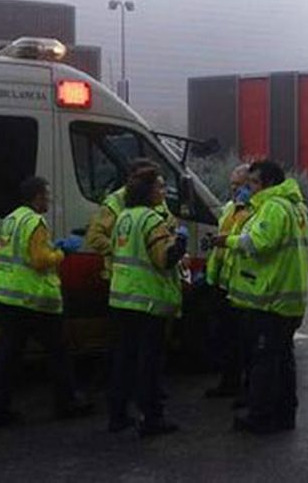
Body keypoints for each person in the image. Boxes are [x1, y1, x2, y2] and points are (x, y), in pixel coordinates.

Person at [0, 176, 92, 427]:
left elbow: (22, 252)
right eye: (46, 195)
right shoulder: (35, 221)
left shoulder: (12, 219)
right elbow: (39, 260)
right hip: (33, 299)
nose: (49, 199)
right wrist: (63, 251)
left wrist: (52, 246)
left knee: (7, 357)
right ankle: (66, 403)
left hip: (6, 296)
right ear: (37, 197)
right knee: (59, 353)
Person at [214, 160, 308, 434]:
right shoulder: (297, 207)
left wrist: (227, 241)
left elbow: (258, 243)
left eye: (253, 183)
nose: (249, 188)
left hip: (271, 298)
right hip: (288, 297)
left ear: (267, 183)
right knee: (283, 360)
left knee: (264, 361)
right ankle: (283, 415)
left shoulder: (273, 207)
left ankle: (260, 416)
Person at [105, 165, 188, 437]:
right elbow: (163, 259)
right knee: (149, 364)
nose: (163, 192)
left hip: (121, 299)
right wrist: (180, 244)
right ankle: (151, 419)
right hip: (147, 301)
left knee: (123, 360)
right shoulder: (152, 220)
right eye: (160, 187)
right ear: (149, 191)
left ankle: (117, 416)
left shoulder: (124, 217)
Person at [204, 164, 252, 399]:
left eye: (240, 185)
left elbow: (247, 243)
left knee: (241, 341)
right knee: (224, 339)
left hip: (240, 285)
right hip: (222, 282)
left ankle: (243, 389)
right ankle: (228, 383)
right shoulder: (230, 208)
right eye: (232, 185)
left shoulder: (255, 210)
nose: (234, 190)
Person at [85, 158, 161, 283]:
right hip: (124, 278)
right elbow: (94, 237)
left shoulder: (157, 198)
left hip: (152, 279)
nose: (159, 188)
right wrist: (123, 250)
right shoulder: (114, 203)